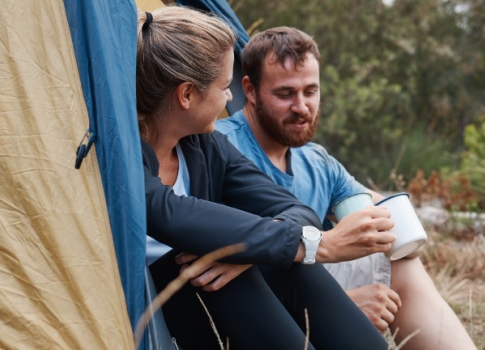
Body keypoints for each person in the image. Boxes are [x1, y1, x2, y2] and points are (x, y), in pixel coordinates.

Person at [137, 8, 397, 350]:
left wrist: (254, 251)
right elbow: (168, 212)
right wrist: (317, 244)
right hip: (152, 306)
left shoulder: (205, 146)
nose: (230, 98)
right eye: (222, 86)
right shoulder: (120, 154)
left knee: (285, 265)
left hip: (211, 297)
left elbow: (295, 209)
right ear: (186, 95)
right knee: (225, 265)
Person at [216, 27, 478, 350]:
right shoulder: (219, 146)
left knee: (397, 257)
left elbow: (385, 214)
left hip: (307, 283)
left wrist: (400, 232)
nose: (301, 106)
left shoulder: (317, 162)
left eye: (310, 91)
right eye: (285, 94)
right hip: (247, 301)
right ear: (250, 90)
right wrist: (343, 304)